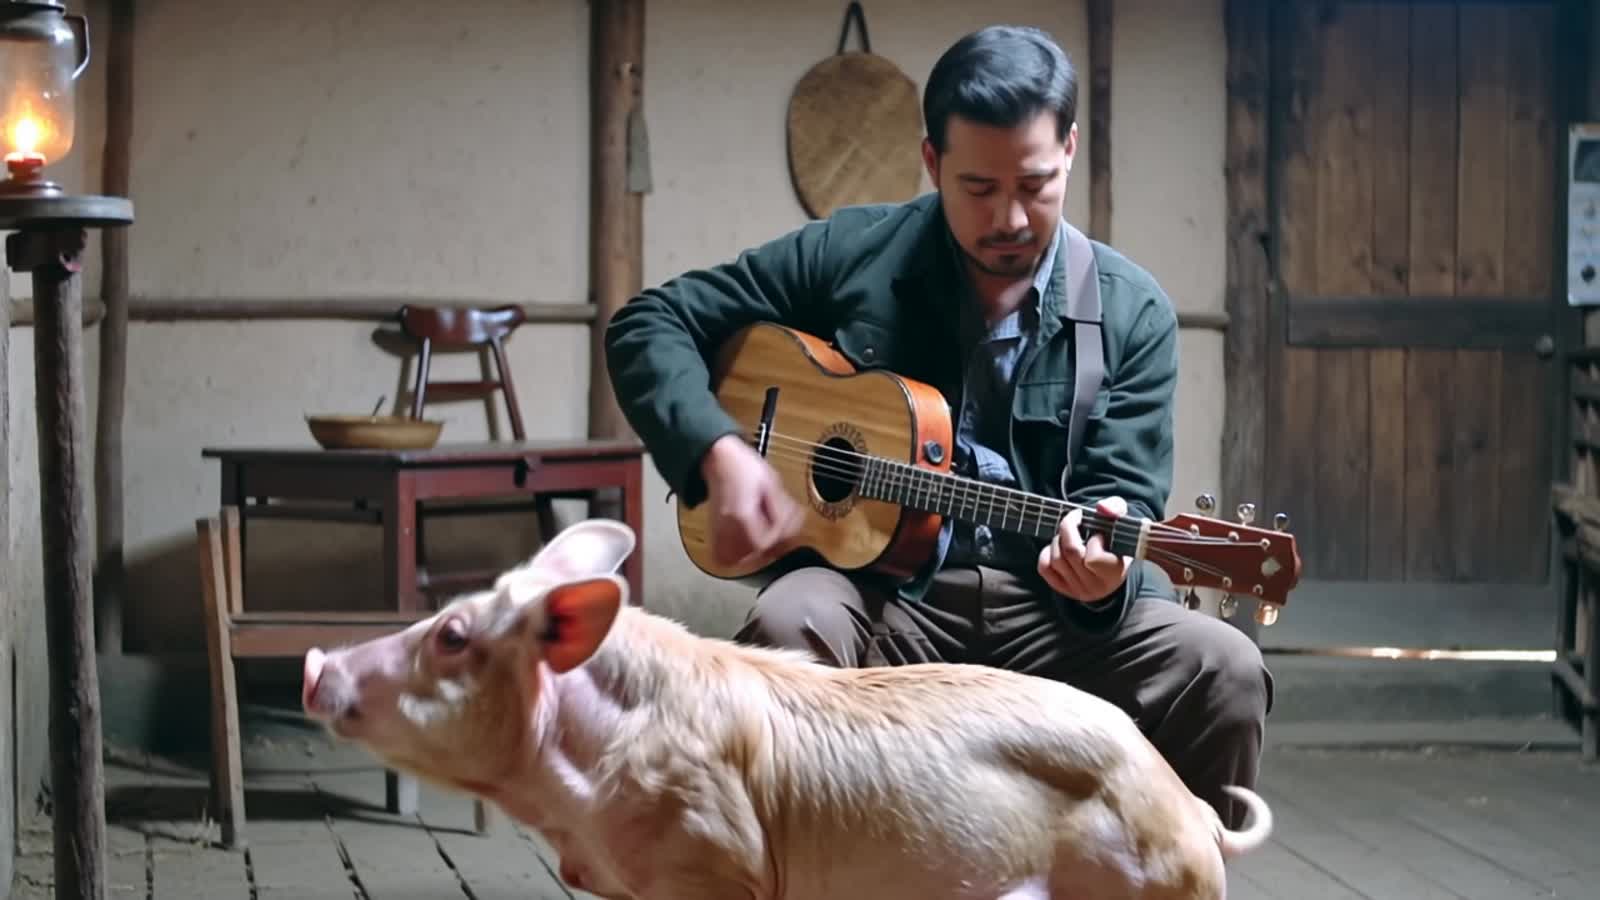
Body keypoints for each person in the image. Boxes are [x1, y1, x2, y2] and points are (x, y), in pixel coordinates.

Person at [603, 23, 1272, 829]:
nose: (1011, 218)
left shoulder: (1131, 311)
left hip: (1048, 612)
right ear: (932, 164)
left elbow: (1118, 495)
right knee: (788, 623)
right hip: (886, 602)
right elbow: (649, 322)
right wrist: (717, 453)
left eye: (1033, 184)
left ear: (1068, 150)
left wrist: (1103, 579)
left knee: (1225, 666)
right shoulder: (855, 253)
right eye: (978, 188)